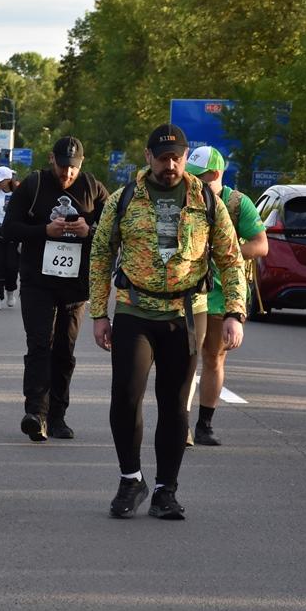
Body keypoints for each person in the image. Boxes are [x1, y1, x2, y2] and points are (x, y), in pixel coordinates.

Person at [89, 124, 247, 520]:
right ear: (148, 157)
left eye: (176, 157)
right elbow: (100, 255)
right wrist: (98, 314)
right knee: (125, 398)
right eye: (162, 158)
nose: (170, 165)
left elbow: (230, 258)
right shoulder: (123, 199)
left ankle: (165, 490)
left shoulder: (206, 200)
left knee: (175, 405)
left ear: (184, 154)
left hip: (186, 314)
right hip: (133, 309)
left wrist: (234, 312)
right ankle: (131, 479)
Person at [1, 137, 109, 442]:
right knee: (39, 345)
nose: (67, 174)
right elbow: (9, 229)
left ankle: (58, 416)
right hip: (37, 282)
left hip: (75, 287)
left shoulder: (93, 187)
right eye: (63, 167)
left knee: (64, 350)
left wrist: (91, 231)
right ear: (52, 160)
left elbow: (117, 228)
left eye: (73, 168)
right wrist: (43, 231)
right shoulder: (34, 185)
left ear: (82, 164)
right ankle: (36, 413)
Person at [184, 146, 267, 446]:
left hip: (222, 295)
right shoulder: (185, 198)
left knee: (213, 358)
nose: (191, 182)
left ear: (216, 174)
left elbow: (261, 245)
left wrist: (225, 253)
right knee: (185, 359)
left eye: (199, 177)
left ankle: (205, 424)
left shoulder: (236, 203)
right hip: (190, 293)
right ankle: (182, 424)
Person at [0, 166, 20, 309]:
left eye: (2, 180)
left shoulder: (18, 194)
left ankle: (11, 291)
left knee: (12, 266)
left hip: (13, 233)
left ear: (8, 179)